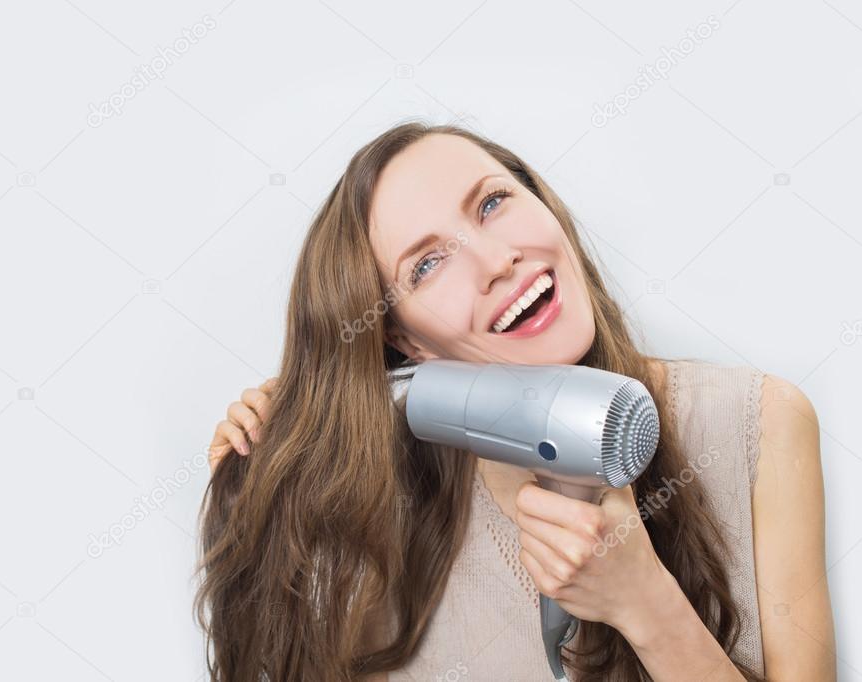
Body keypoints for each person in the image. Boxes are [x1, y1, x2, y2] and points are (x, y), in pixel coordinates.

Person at [196, 122, 834, 681]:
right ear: (405, 341)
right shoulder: (380, 506)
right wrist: (271, 468)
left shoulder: (758, 423)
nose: (497, 260)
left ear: (543, 202)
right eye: (427, 265)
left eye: (493, 202)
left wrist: (647, 607)